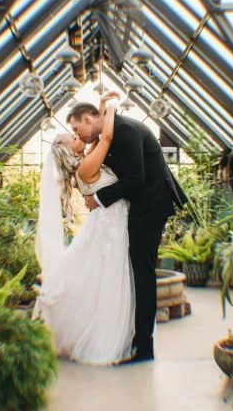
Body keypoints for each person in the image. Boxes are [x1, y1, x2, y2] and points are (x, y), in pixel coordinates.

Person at [67, 99, 187, 363]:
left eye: (78, 129)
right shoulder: (112, 131)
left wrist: (97, 199)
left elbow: (135, 178)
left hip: (151, 206)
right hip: (142, 207)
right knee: (138, 272)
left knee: (143, 273)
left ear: (87, 119)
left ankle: (144, 347)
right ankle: (136, 338)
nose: (80, 136)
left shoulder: (125, 131)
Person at [35, 92, 135, 365]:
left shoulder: (86, 160)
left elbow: (96, 131)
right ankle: (102, 339)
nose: (76, 135)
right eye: (72, 137)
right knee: (107, 281)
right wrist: (112, 108)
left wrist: (102, 106)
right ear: (69, 151)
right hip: (111, 226)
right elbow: (105, 137)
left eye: (76, 131)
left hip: (108, 224)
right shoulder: (86, 167)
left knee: (101, 281)